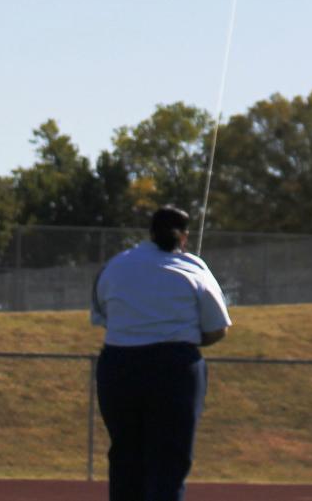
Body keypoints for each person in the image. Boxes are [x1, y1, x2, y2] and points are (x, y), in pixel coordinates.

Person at [90, 205, 232, 501]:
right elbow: (218, 328)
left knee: (126, 457)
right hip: (175, 370)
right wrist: (184, 338)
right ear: (185, 237)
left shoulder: (116, 266)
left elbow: (103, 315)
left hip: (119, 367)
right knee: (169, 461)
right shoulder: (194, 268)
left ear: (150, 233)